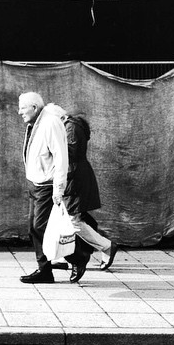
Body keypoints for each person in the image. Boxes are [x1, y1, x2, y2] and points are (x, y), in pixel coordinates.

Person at [46, 104, 119, 283]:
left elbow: (69, 153)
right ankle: (65, 255)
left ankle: (106, 246)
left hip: (75, 178)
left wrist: (49, 148)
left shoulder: (70, 127)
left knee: (73, 219)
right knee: (74, 218)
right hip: (75, 177)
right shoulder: (70, 125)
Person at [18, 92, 69, 284]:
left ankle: (75, 257)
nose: (19, 112)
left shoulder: (50, 123)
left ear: (33, 107)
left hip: (47, 186)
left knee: (39, 228)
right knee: (35, 228)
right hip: (37, 184)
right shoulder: (36, 123)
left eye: (22, 107)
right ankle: (46, 269)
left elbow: (61, 157)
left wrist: (58, 188)